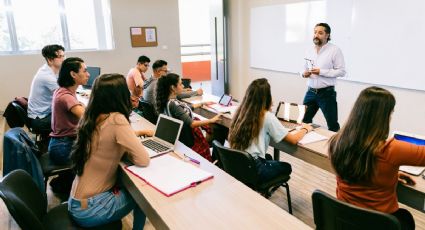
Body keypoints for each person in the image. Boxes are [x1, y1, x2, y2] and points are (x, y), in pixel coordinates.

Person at [329, 86, 425, 230]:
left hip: (345, 219)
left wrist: (389, 173)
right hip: (380, 224)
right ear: (383, 117)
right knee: (405, 218)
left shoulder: (337, 142)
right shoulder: (392, 150)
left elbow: (361, 167)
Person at [68, 73, 152, 229]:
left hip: (77, 202)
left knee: (127, 183)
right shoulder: (116, 119)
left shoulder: (91, 115)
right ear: (120, 95)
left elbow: (107, 139)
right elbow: (143, 160)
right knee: (143, 195)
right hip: (91, 209)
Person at [228, 78, 312, 182]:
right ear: (267, 98)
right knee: (286, 167)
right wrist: (305, 129)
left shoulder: (240, 111)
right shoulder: (267, 116)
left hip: (238, 163)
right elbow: (293, 140)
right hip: (254, 168)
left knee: (268, 157)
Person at [155, 73, 220, 161]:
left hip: (182, 137)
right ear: (173, 88)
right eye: (180, 84)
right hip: (191, 139)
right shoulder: (174, 104)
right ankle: (216, 160)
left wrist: (201, 104)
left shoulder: (168, 101)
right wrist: (211, 120)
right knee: (218, 130)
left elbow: (183, 110)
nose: (183, 86)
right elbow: (192, 124)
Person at [301, 23, 346, 132]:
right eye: (315, 32)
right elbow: (302, 68)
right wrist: (304, 73)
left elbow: (341, 71)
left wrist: (321, 72)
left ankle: (335, 148)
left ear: (327, 35)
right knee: (303, 121)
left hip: (326, 94)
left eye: (320, 33)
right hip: (310, 92)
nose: (316, 35)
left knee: (333, 125)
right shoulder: (309, 50)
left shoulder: (335, 50)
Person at [49, 57, 88, 165]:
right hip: (64, 148)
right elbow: (88, 118)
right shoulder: (66, 96)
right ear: (73, 74)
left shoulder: (64, 90)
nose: (88, 74)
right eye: (84, 71)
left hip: (61, 144)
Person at [28, 44, 65, 134]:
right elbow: (63, 96)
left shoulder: (49, 69)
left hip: (44, 113)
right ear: (50, 59)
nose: (63, 59)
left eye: (63, 55)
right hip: (40, 120)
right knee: (73, 119)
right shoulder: (46, 76)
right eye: (60, 56)